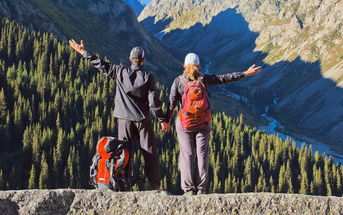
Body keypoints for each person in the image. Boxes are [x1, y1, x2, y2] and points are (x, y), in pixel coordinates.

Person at [69, 39, 169, 190]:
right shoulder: (148, 78)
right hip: (143, 120)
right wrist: (162, 120)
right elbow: (153, 102)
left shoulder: (120, 71)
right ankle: (155, 185)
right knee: (149, 153)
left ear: (130, 59)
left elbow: (100, 64)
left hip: (125, 120)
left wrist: (83, 52)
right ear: (143, 60)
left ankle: (122, 183)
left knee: (123, 152)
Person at [163, 53, 261, 195]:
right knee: (202, 155)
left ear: (184, 65)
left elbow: (171, 103)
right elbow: (224, 78)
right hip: (203, 123)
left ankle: (188, 189)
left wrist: (166, 121)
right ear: (198, 66)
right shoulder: (204, 79)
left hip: (185, 124)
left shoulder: (178, 81)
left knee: (187, 155)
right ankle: (201, 189)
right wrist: (245, 73)